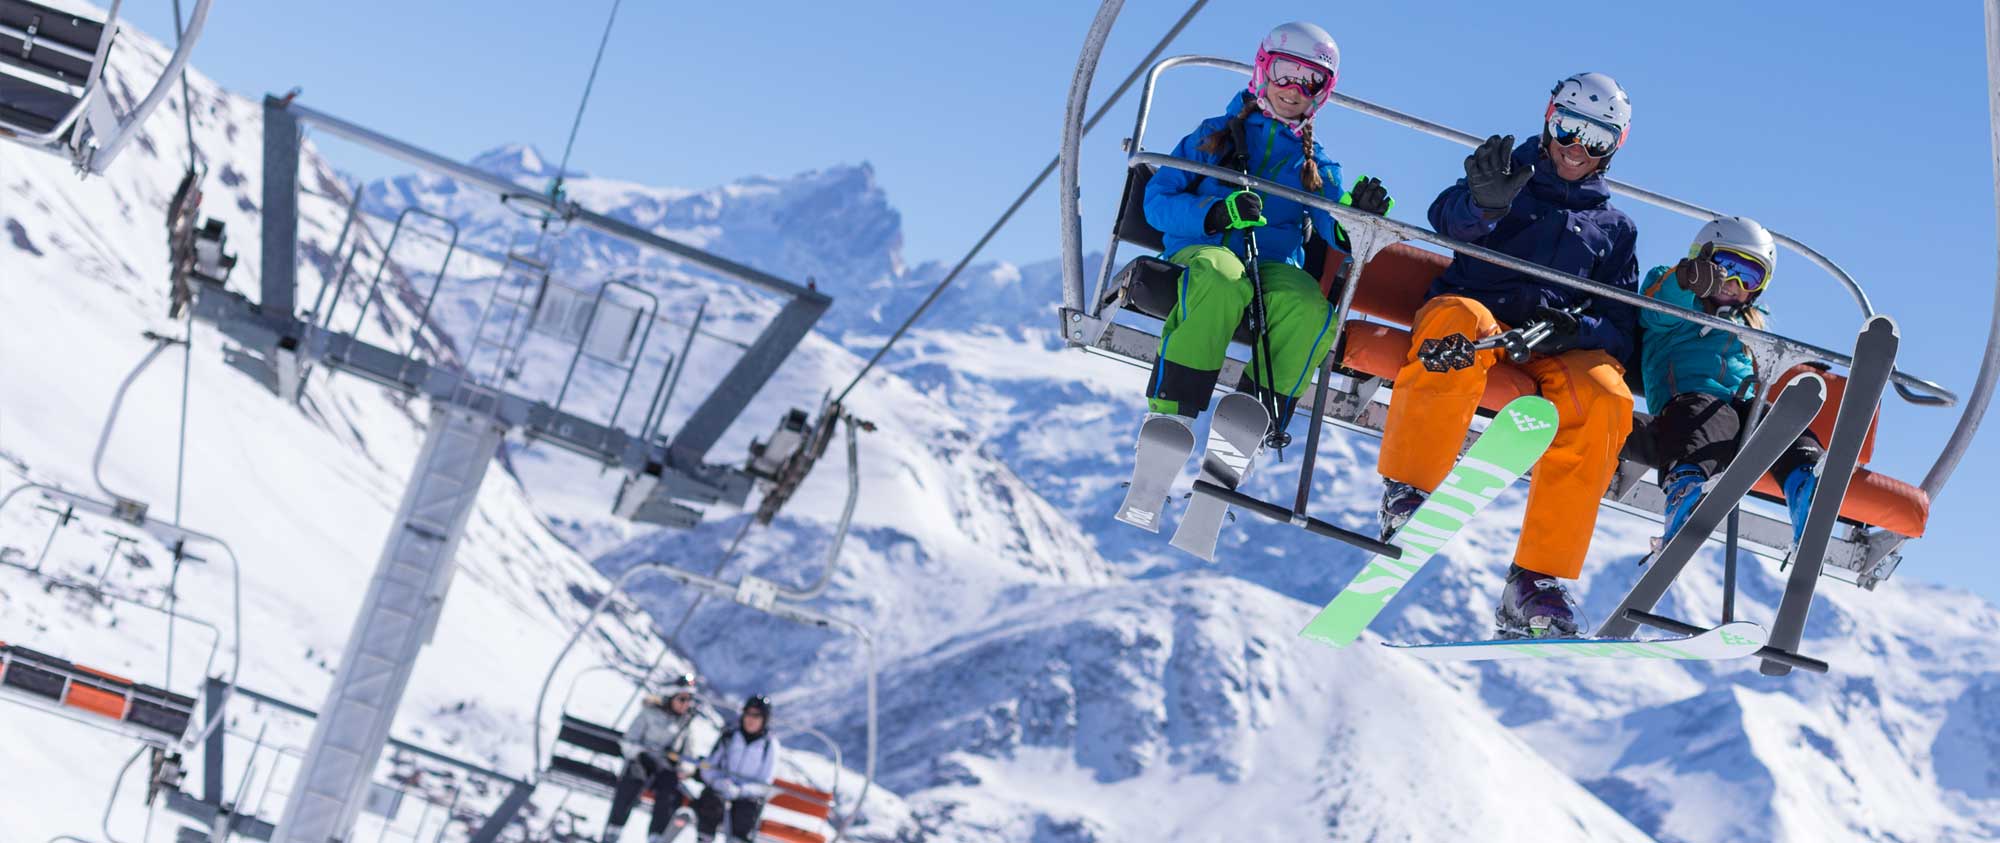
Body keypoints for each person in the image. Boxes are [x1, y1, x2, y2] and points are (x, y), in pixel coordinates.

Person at [1376, 72, 1640, 639]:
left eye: (1596, 139)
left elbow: (1622, 326)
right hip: (1480, 318)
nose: (1576, 148)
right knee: (1458, 325)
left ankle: (1535, 582)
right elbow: (1446, 219)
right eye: (1568, 128)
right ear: (1549, 119)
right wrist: (1484, 205)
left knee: (1606, 396)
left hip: (1550, 345)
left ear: (1613, 148)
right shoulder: (1505, 175)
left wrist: (1575, 329)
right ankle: (1410, 492)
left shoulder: (1615, 229)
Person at [1137, 21, 1391, 432]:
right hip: (1204, 252)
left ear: (1322, 92)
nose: (1293, 89)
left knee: (1310, 308)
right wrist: (1216, 213)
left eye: (1310, 81)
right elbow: (1157, 201)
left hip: (1270, 268)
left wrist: (1359, 217)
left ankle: (1251, 427)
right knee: (1222, 277)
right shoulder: (1214, 136)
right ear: (1262, 70)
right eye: (1284, 72)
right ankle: (1171, 414)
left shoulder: (1316, 167)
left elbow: (1332, 226)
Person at [1641, 216, 1821, 547]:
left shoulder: (1749, 323)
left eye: (1749, 275)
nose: (1733, 281)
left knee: (1774, 417)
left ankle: (1807, 484)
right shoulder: (1675, 293)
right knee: (1710, 416)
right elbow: (1655, 312)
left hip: (1742, 409)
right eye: (1725, 266)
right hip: (1687, 401)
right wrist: (1685, 280)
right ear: (1702, 257)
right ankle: (1686, 489)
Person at [602, 675, 701, 843]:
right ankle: (614, 830)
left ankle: (657, 836)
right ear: (671, 697)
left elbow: (688, 756)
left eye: (689, 700)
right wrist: (642, 752)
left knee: (670, 788)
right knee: (633, 779)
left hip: (664, 768)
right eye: (682, 699)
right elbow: (629, 741)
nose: (686, 704)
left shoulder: (685, 724)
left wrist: (684, 768)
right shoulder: (649, 713)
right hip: (643, 761)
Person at [694, 695, 781, 843]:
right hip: (720, 791)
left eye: (757, 715)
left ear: (764, 719)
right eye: (748, 713)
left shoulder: (769, 745)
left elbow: (765, 783)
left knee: (746, 813)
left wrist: (741, 791)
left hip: (747, 798)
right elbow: (709, 765)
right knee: (711, 802)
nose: (751, 719)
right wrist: (717, 782)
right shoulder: (730, 735)